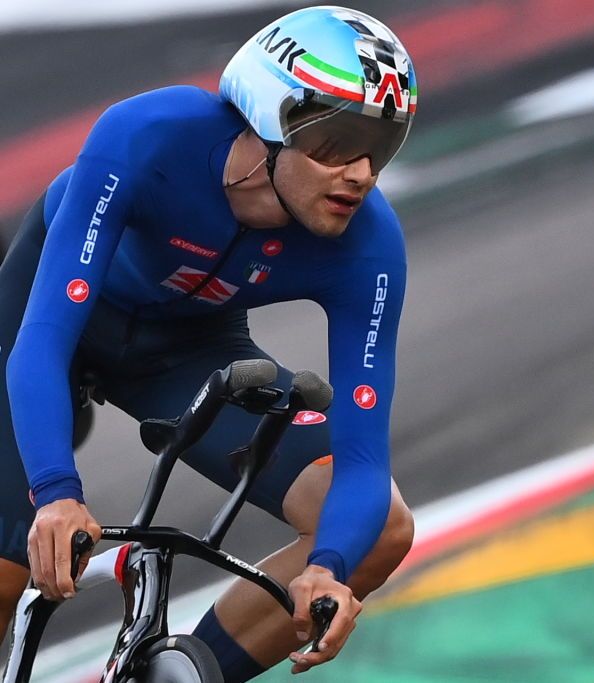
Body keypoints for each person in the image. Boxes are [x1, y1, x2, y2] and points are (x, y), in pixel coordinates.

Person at [0, 6, 418, 679]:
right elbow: (44, 339)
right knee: (6, 562)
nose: (362, 173)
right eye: (338, 141)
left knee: (378, 531)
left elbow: (364, 459)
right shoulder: (150, 135)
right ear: (267, 116)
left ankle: (179, 676)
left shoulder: (369, 246)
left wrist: (329, 567)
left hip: (188, 349)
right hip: (50, 320)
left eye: (382, 146)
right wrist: (54, 491)